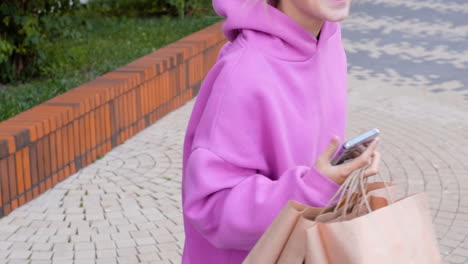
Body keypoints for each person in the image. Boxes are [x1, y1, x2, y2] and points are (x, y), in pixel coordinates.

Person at [181, 0, 380, 262]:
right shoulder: (244, 71)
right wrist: (314, 188)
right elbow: (212, 209)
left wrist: (339, 171)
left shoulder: (327, 39)